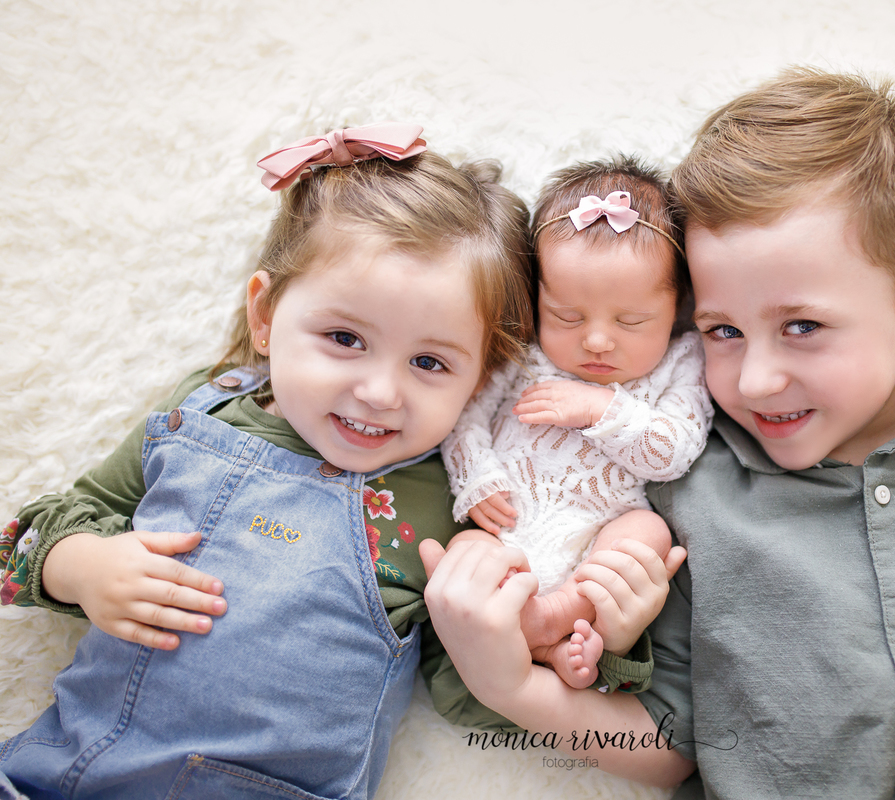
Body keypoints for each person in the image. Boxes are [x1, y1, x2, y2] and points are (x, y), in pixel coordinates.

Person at [418, 68, 895, 799]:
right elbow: (667, 745)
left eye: (803, 327)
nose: (755, 380)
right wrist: (512, 687)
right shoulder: (687, 492)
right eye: (723, 330)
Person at [0, 123, 535, 799]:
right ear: (265, 315)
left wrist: (532, 645)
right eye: (344, 338)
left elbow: (474, 698)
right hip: (55, 776)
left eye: (429, 362)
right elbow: (28, 536)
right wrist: (79, 567)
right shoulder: (201, 412)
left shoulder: (452, 505)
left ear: (482, 380)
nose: (378, 391)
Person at [439, 156, 713, 689]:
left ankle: (558, 619)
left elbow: (675, 451)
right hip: (507, 528)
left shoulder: (683, 362)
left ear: (677, 305)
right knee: (463, 552)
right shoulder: (526, 355)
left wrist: (600, 411)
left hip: (596, 533)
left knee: (646, 534)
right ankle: (540, 645)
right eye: (567, 315)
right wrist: (475, 478)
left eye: (631, 321)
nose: (596, 340)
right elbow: (463, 416)